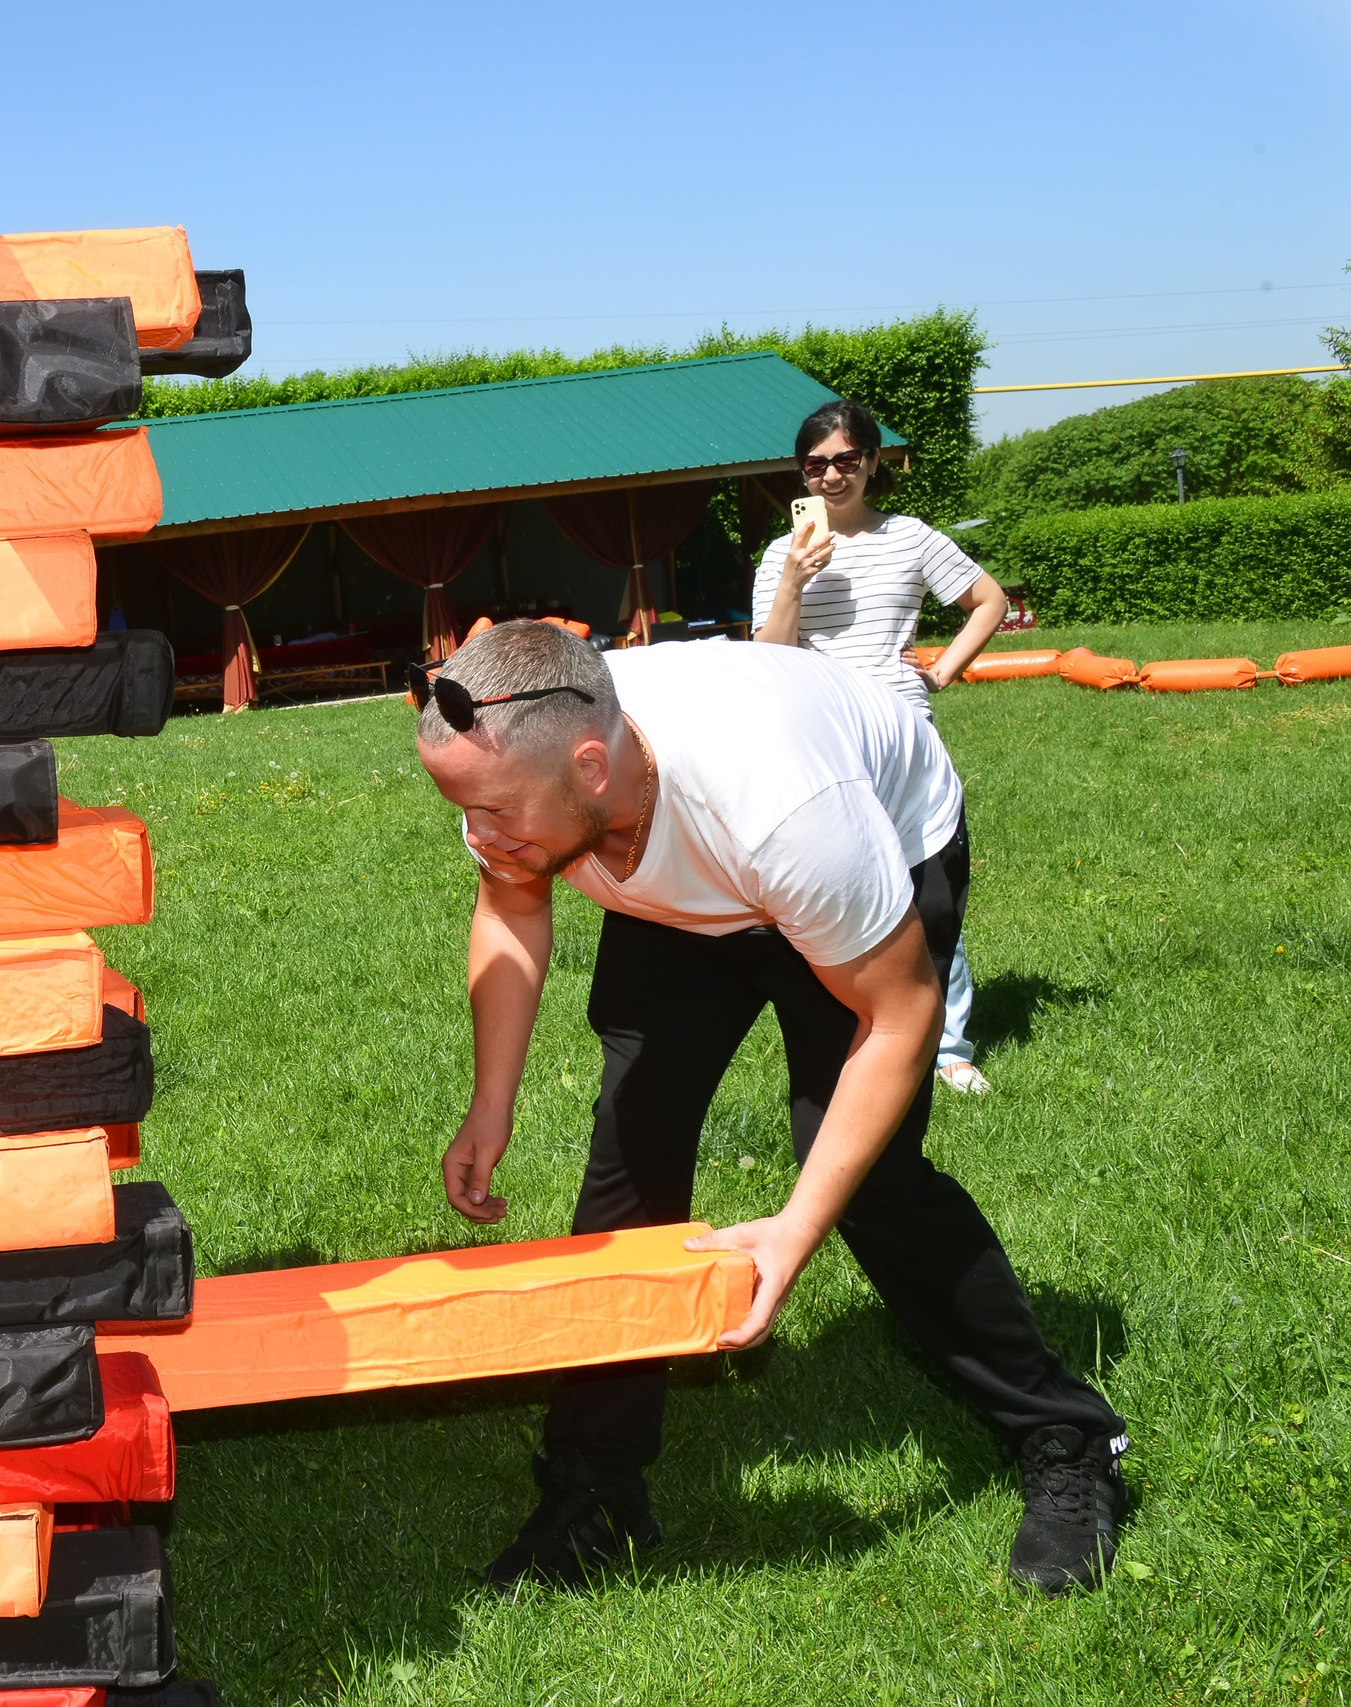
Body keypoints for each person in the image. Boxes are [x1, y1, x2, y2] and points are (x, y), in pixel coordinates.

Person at [412, 619, 1126, 1596]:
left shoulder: (787, 809)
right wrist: (489, 1104)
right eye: (463, 809)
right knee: (630, 1152)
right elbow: (511, 902)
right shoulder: (513, 764)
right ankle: (595, 1493)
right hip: (681, 884)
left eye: (492, 811)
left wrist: (795, 1228)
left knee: (867, 1181)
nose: (479, 833)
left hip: (857, 856)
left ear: (589, 765)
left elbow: (901, 1017)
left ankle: (1067, 1441)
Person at [755, 400, 1008, 1094]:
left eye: (844, 460)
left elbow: (989, 600)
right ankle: (861, 1027)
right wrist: (793, 583)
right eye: (814, 465)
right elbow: (768, 659)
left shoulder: (911, 538)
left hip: (900, 729)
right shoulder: (784, 553)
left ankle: (949, 1044)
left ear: (871, 461)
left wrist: (946, 667)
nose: (830, 476)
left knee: (926, 885)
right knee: (840, 882)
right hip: (819, 732)